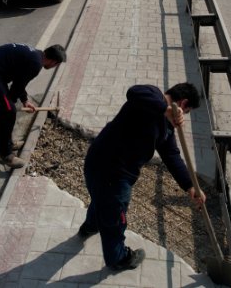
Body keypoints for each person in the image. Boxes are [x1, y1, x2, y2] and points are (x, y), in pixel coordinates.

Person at [78, 83, 206, 271]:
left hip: (103, 165)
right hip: (112, 172)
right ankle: (118, 258)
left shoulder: (166, 128)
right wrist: (166, 109)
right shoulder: (152, 97)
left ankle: (90, 226)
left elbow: (172, 155)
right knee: (115, 217)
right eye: (186, 112)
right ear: (183, 103)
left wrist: (190, 186)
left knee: (102, 200)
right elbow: (134, 92)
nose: (182, 117)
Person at [0, 43, 67, 169]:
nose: (55, 67)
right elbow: (17, 87)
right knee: (8, 112)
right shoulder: (36, 64)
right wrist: (8, 106)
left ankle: (8, 144)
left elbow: (19, 81)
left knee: (6, 110)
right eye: (57, 65)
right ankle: (5, 155)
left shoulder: (35, 55)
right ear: (53, 61)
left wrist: (24, 100)